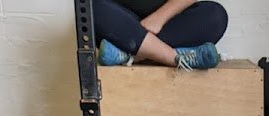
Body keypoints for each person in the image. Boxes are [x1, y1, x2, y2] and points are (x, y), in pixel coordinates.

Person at [94, 0, 227, 69]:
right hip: (121, 24)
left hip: (166, 25)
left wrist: (158, 19)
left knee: (216, 16)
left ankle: (129, 55)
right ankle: (175, 58)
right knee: (90, 6)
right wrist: (172, 56)